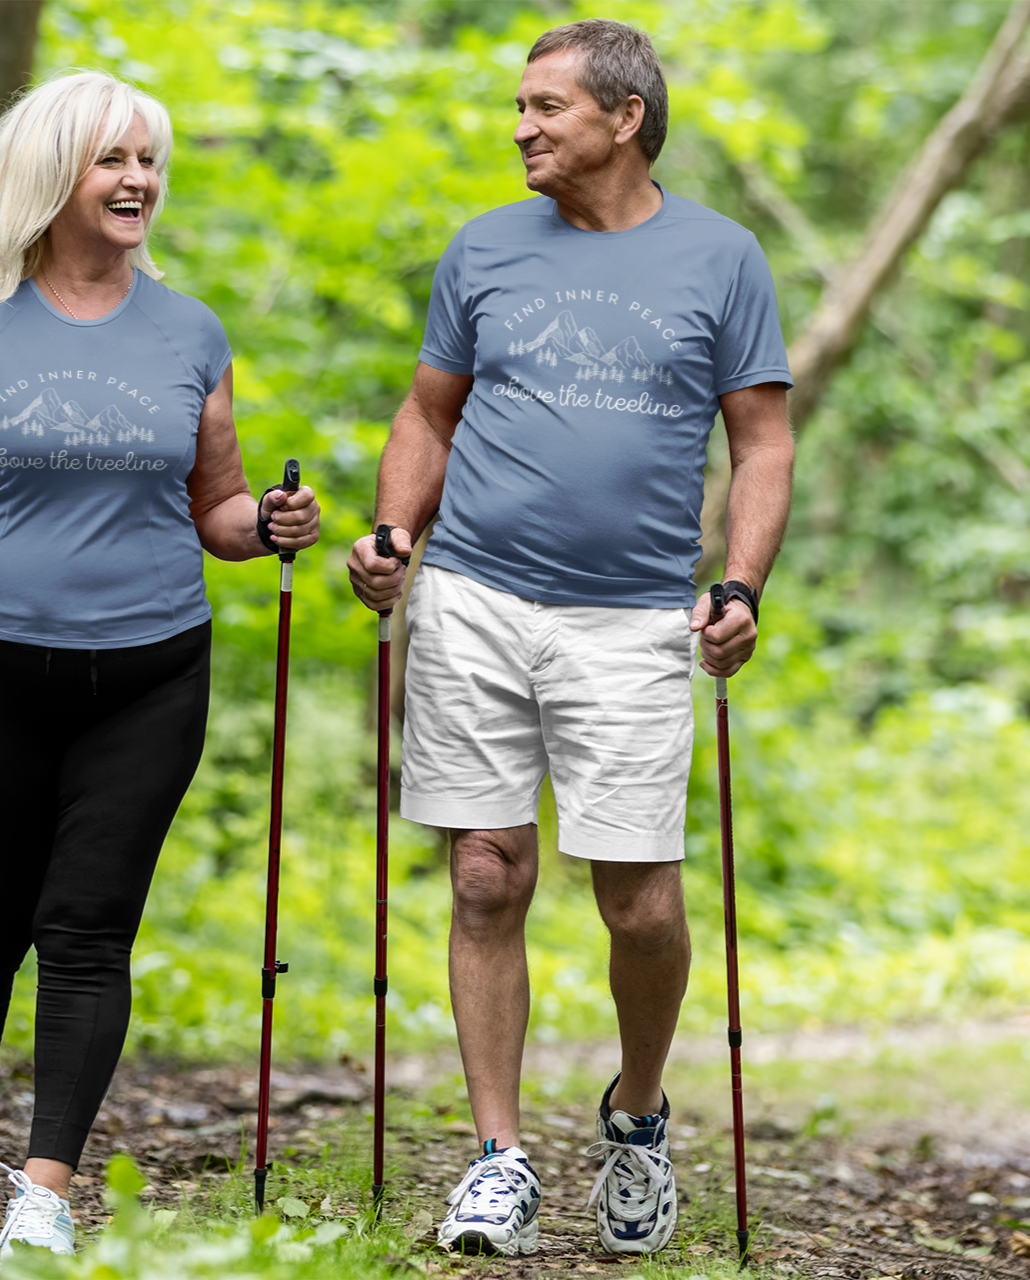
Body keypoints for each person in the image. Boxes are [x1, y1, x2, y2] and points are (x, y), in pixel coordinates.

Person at [0, 71, 319, 1264]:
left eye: (149, 158)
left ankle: (41, 1186)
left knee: (87, 928)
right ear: (54, 174)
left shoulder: (189, 329)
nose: (139, 178)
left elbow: (220, 509)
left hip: (148, 672)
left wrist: (273, 523)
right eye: (112, 159)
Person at [347, 18, 793, 1259]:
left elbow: (760, 441)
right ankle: (496, 1157)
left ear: (624, 117)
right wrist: (392, 531)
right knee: (485, 872)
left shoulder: (720, 256)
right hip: (477, 597)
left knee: (639, 904)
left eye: (544, 107)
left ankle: (636, 1116)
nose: (520, 127)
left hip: (637, 613)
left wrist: (740, 583)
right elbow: (426, 411)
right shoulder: (483, 248)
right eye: (519, 106)